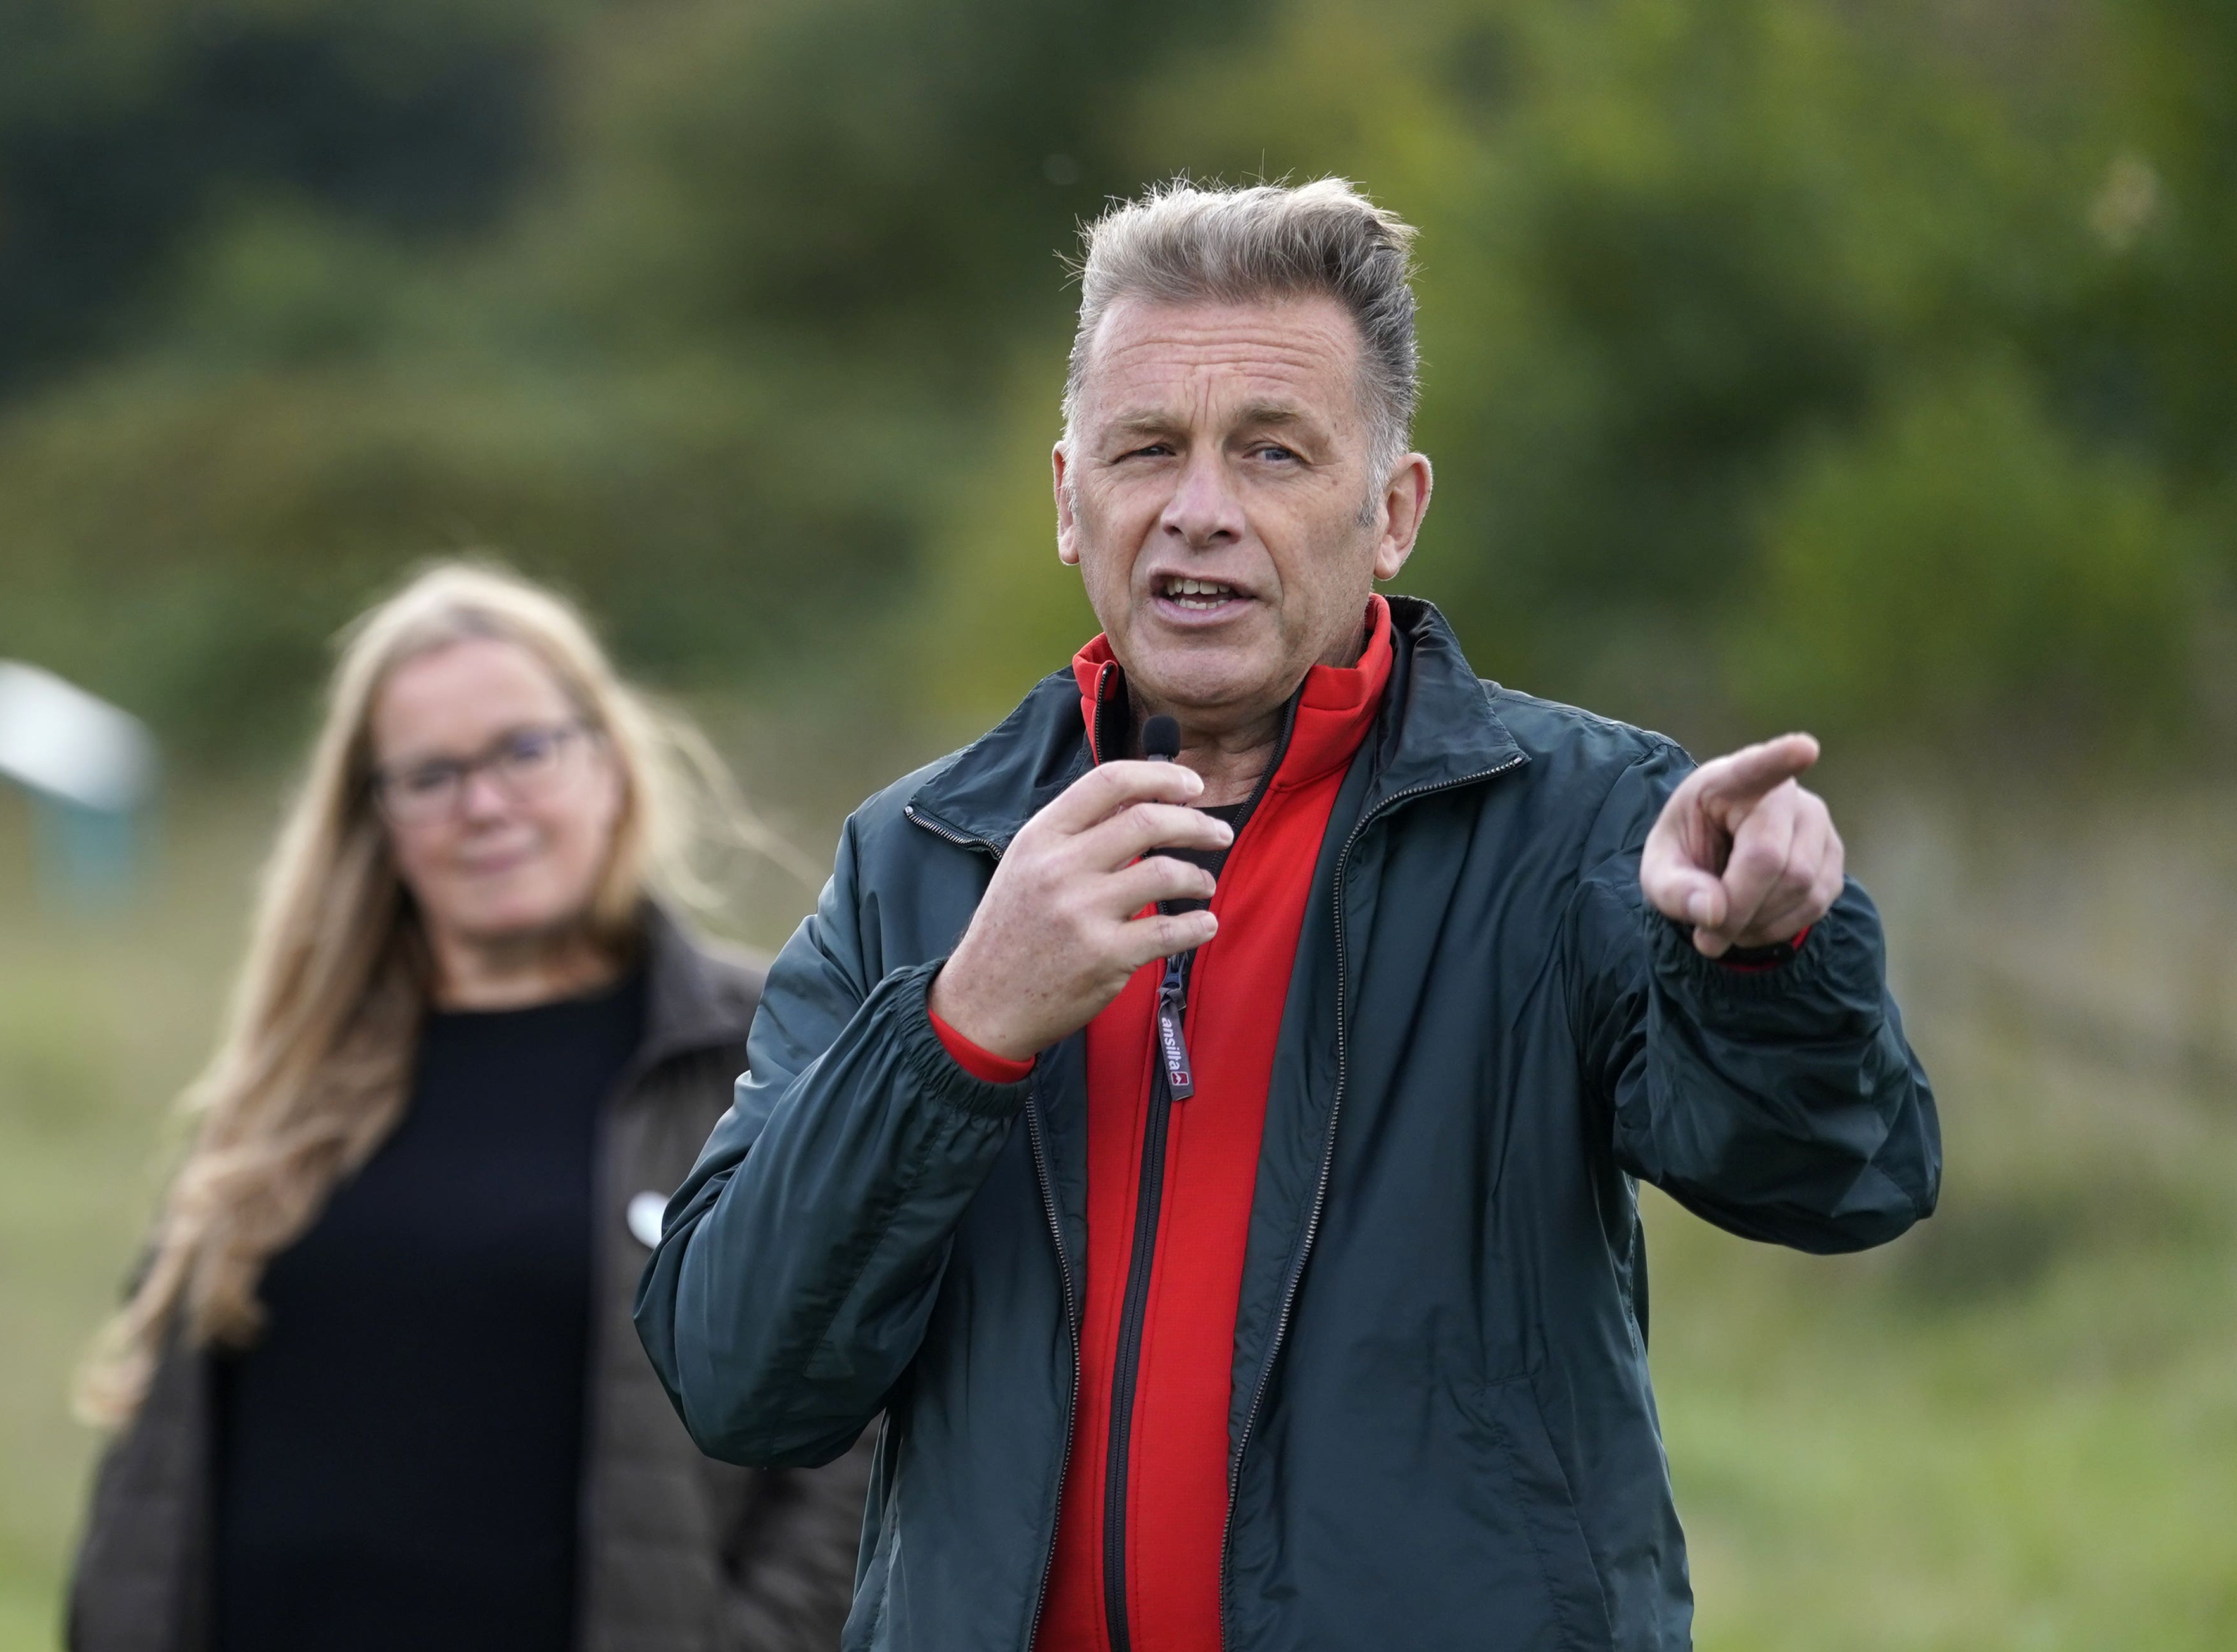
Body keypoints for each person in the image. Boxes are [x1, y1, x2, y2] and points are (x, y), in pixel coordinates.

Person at [635, 179, 1940, 1651]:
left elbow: (1836, 1182)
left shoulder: (1584, 823)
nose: (1201, 509)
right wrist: (958, 1031)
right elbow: (738, 1374)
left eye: (1271, 452)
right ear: (1069, 500)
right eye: (1147, 451)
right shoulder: (922, 855)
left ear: (1390, 514)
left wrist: (1759, 962)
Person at [66, 562, 867, 1652]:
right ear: (378, 817)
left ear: (608, 758)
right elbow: (159, 1468)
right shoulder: (296, 1066)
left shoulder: (768, 1054)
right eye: (430, 774)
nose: (484, 804)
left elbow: (856, 1444)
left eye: (523, 750)